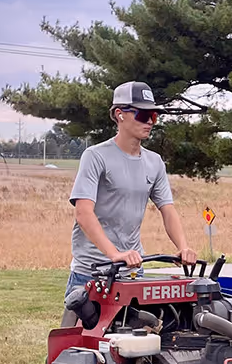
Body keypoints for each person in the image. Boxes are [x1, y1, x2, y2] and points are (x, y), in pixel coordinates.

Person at [64, 81, 197, 306]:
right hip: (91, 274)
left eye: (153, 116)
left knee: (143, 339)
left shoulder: (154, 162)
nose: (150, 122)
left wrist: (182, 247)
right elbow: (83, 214)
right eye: (143, 115)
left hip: (132, 273)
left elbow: (168, 209)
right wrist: (114, 254)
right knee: (81, 341)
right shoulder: (95, 156)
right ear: (120, 114)